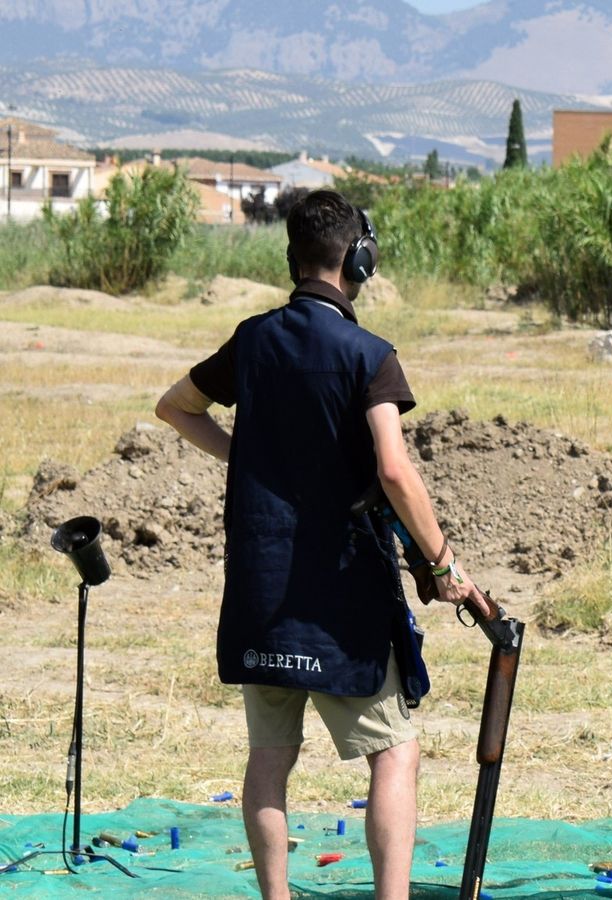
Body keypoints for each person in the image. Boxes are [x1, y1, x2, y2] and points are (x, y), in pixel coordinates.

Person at [154, 189, 490, 900]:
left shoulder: (252, 339)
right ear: (358, 260)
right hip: (343, 597)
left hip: (262, 587)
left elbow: (176, 406)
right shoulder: (370, 354)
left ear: (293, 257)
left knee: (270, 758)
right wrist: (444, 564)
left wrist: (248, 458)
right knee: (394, 751)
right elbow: (394, 469)